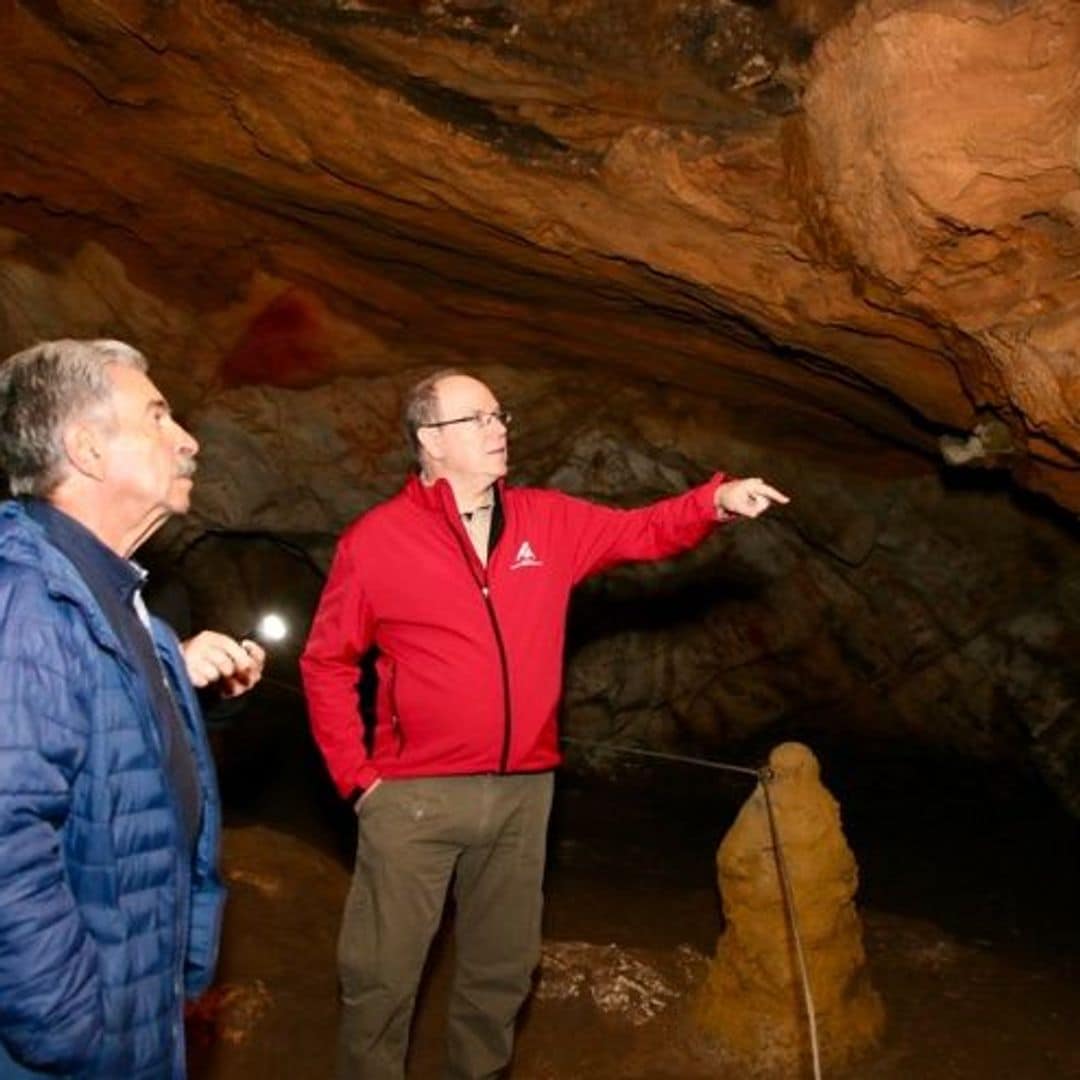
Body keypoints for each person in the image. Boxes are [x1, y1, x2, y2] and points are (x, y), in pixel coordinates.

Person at [301, 369, 789, 1080]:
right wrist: (361, 780)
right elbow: (327, 663)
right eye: (478, 419)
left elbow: (640, 531)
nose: (499, 428)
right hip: (414, 798)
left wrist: (714, 501)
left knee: (500, 975)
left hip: (524, 795)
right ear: (430, 442)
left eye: (500, 415)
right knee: (381, 980)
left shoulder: (547, 521)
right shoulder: (376, 542)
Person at [0, 339, 265, 1078]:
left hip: (137, 1009)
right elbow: (6, 836)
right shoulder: (27, 601)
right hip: (74, 1040)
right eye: (157, 416)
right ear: (85, 448)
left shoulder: (120, 605)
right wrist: (73, 1025)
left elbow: (124, 771)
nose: (187, 439)